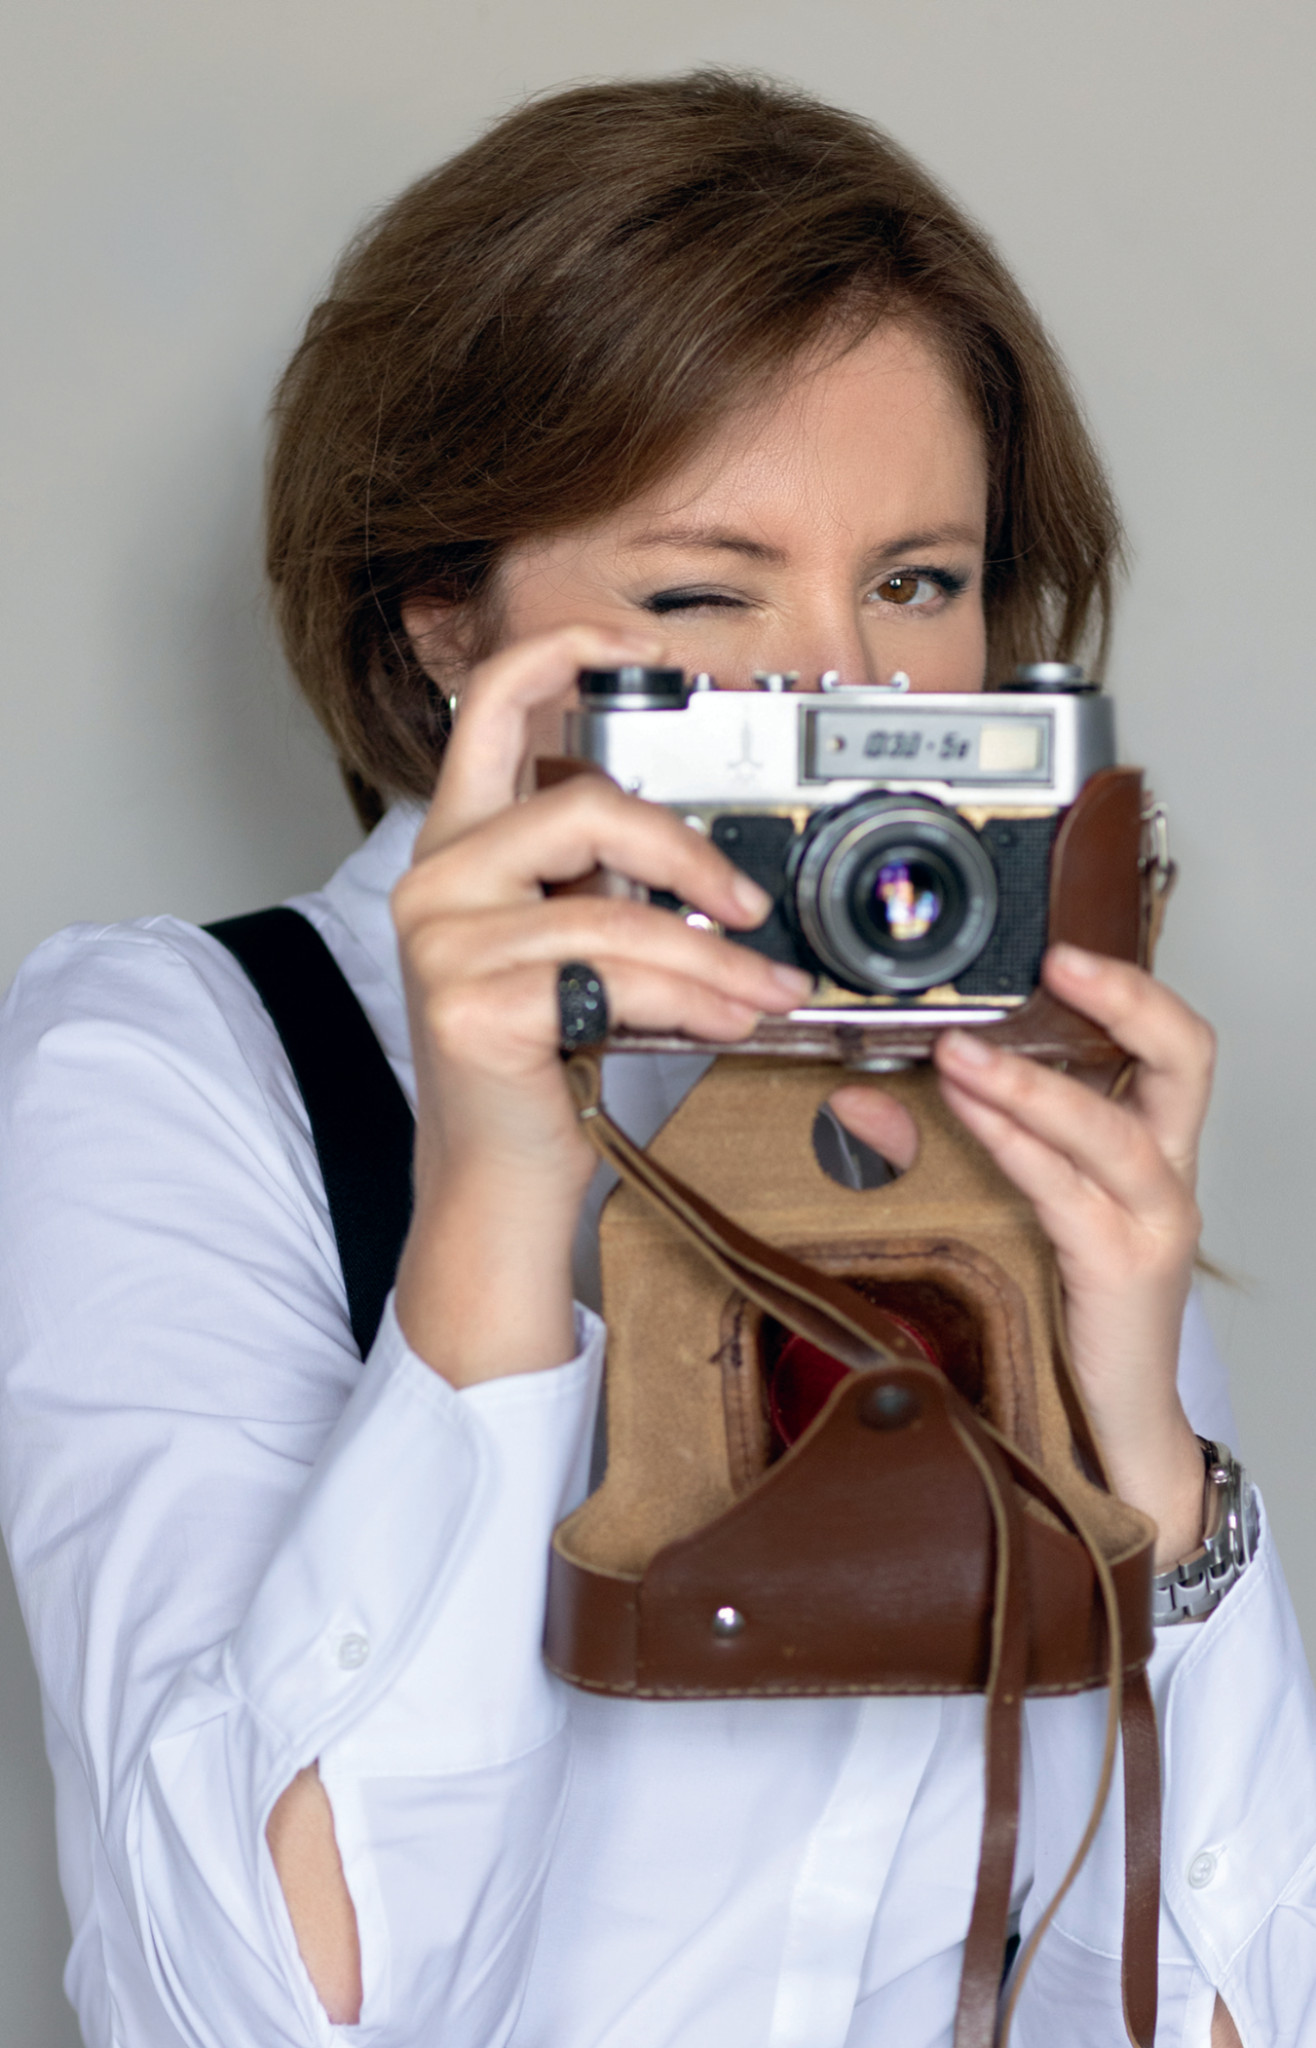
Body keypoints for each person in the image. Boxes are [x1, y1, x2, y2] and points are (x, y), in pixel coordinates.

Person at [0, 69, 1310, 2048]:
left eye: (917, 583)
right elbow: (243, 2013)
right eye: (703, 590)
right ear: (447, 621)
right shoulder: (182, 1061)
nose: (842, 689)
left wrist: (1155, 1475)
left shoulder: (1015, 1081)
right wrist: (490, 1207)